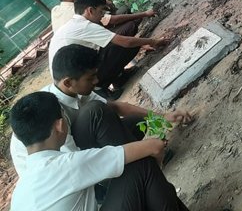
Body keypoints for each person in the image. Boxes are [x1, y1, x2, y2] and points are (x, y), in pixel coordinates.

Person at [10, 44, 193, 175]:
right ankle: (139, 170)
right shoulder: (54, 116)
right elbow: (76, 161)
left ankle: (139, 164)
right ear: (68, 82)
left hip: (76, 148)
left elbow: (115, 106)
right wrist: (143, 150)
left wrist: (162, 117)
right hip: (60, 171)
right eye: (90, 78)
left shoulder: (73, 90)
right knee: (94, 111)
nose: (97, 81)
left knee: (135, 120)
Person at [10, 91, 189, 211]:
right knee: (141, 164)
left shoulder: (20, 192)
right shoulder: (67, 165)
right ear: (60, 125)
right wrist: (155, 170)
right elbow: (154, 147)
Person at [48, 0, 168, 99]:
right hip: (76, 78)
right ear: (90, 10)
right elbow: (127, 42)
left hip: (72, 73)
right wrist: (154, 41)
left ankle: (117, 78)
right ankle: (100, 88)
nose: (102, 15)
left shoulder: (74, 23)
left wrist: (143, 43)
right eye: (101, 11)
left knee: (122, 43)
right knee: (130, 45)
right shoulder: (84, 26)